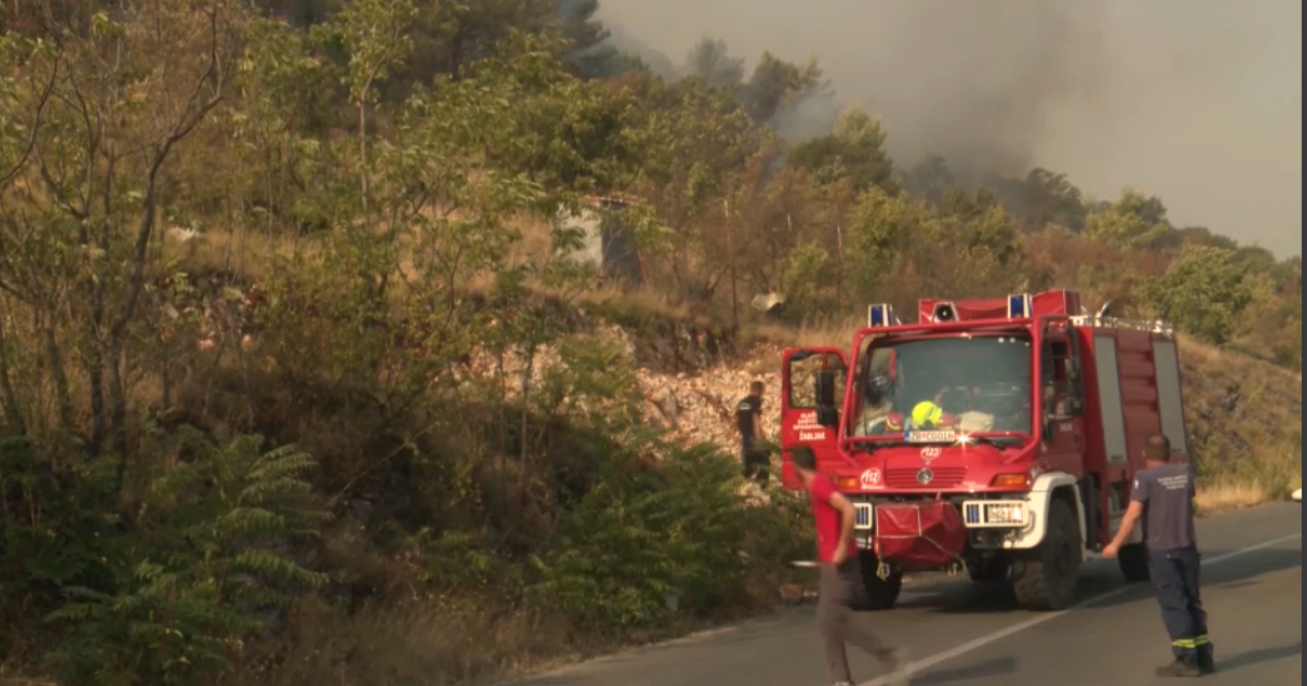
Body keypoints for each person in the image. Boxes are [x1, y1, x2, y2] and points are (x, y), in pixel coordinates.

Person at [792, 445, 910, 686]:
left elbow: (849, 509)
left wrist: (843, 545)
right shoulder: (815, 486)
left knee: (837, 617)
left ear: (796, 467)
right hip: (829, 562)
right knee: (825, 621)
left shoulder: (820, 484)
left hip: (841, 563)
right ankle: (841, 679)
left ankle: (888, 656)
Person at [1104, 433, 1215, 677]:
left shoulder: (1144, 478)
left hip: (1162, 550)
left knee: (1174, 605)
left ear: (1144, 454)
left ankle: (1186, 659)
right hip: (1188, 548)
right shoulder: (1185, 472)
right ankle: (1203, 656)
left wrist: (1115, 544)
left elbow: (1132, 515)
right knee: (1193, 602)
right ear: (1169, 453)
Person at [736, 380, 769, 484]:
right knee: (765, 463)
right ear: (760, 391)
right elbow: (756, 421)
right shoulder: (755, 402)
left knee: (748, 466)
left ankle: (738, 486)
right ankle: (762, 488)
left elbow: (738, 421)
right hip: (753, 440)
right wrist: (760, 441)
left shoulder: (742, 403)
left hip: (745, 440)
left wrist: (743, 434)